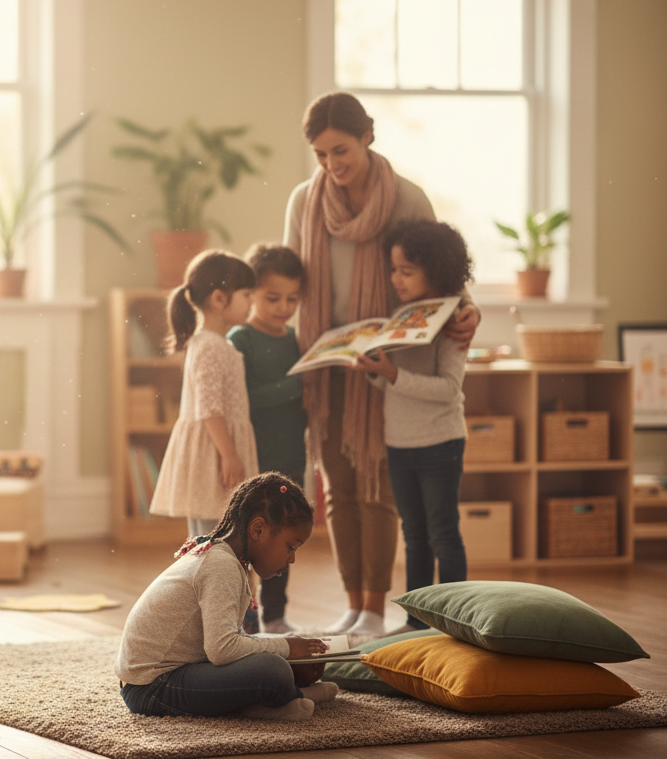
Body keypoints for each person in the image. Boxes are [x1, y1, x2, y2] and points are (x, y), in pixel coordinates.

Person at [283, 91, 480, 638]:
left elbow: (443, 270)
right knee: (339, 487)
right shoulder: (304, 202)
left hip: (394, 360)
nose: (332, 166)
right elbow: (292, 281)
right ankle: (356, 605)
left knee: (381, 490)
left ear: (368, 136)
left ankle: (378, 606)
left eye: (340, 150)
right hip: (331, 363)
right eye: (321, 155)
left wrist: (469, 311)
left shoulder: (407, 198)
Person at [116, 473, 338, 720]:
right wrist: (285, 649)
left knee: (274, 654)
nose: (292, 559)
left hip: (166, 676)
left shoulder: (226, 558)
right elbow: (222, 650)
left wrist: (289, 650)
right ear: (258, 529)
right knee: (273, 670)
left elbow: (232, 640)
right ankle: (282, 699)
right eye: (291, 546)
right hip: (152, 688)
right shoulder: (221, 565)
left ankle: (264, 701)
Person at [354, 221, 474, 631]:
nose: (396, 278)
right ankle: (416, 621)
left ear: (436, 270)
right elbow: (392, 379)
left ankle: (456, 620)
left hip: (441, 441)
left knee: (443, 533)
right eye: (393, 269)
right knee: (415, 535)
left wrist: (390, 374)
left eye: (406, 271)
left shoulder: (455, 318)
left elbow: (448, 389)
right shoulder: (403, 315)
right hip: (400, 442)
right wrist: (374, 368)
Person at [149, 250, 260, 539]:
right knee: (212, 540)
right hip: (213, 456)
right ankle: (211, 585)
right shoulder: (209, 347)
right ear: (219, 299)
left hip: (218, 451)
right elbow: (210, 409)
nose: (252, 302)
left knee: (217, 537)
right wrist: (229, 454)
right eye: (247, 294)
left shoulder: (219, 345)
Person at [227, 244, 308, 634]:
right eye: (273, 298)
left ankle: (275, 616)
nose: (283, 307)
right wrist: (297, 384)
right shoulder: (240, 339)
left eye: (293, 299)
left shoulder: (297, 339)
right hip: (253, 460)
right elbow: (246, 399)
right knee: (247, 542)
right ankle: (243, 620)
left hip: (292, 459)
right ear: (252, 292)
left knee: (283, 542)